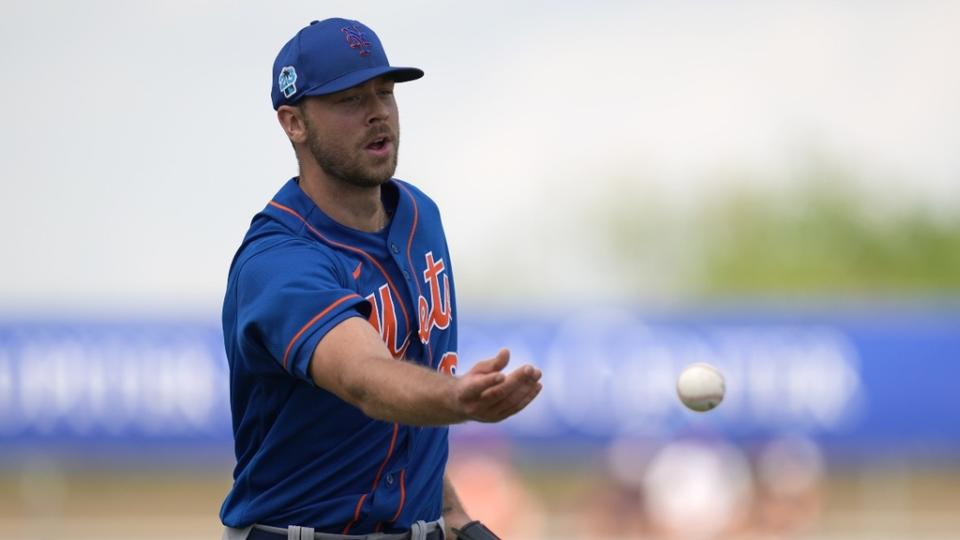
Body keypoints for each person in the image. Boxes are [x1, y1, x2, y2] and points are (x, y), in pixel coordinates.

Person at [219, 18, 543, 540]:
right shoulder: (278, 261)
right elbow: (366, 379)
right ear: (293, 122)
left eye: (385, 92)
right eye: (349, 100)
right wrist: (456, 399)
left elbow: (397, 413)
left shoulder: (420, 216)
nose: (377, 113)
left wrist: (456, 515)